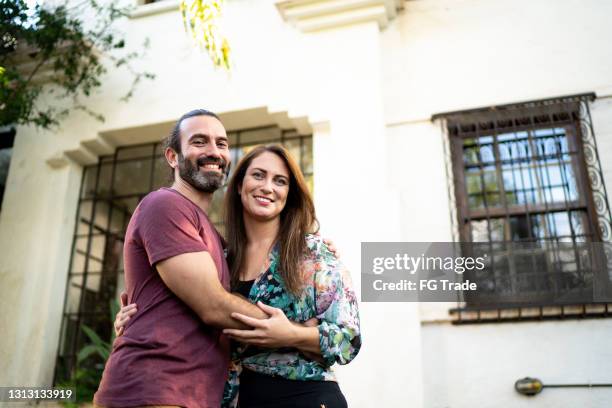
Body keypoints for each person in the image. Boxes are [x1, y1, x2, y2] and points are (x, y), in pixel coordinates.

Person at [115, 144, 361, 408]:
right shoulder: (217, 259)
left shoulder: (312, 252)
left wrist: (292, 334)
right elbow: (193, 315)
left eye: (280, 181)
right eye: (258, 175)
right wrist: (140, 317)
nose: (268, 187)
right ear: (240, 184)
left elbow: (348, 339)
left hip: (305, 396)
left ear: (289, 194)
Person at [94, 109, 308, 408]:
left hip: (191, 396)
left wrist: (312, 250)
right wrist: (301, 332)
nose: (214, 151)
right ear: (172, 156)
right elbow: (213, 305)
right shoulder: (165, 205)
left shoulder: (213, 237)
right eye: (199, 141)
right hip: (153, 389)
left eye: (221, 143)